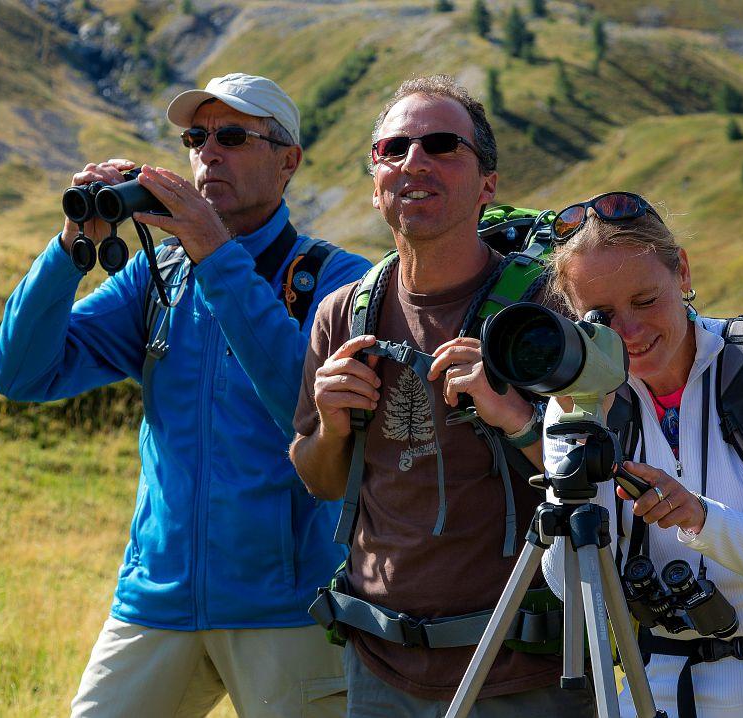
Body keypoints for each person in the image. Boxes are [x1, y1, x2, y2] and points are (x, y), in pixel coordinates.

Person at [0, 73, 371, 718]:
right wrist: (68, 250)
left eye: (231, 136)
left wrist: (216, 255)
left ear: (289, 162)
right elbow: (24, 373)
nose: (207, 153)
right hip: (158, 599)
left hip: (288, 608)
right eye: (196, 138)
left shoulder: (338, 280)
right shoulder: (158, 276)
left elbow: (304, 411)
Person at [289, 75, 594, 717]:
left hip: (522, 674)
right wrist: (330, 424)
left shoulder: (548, 310)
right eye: (392, 149)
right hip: (380, 667)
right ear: (375, 182)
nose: (413, 163)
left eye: (440, 145)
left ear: (488, 184)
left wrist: (513, 417)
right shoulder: (343, 313)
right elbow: (318, 479)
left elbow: (603, 481)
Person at [540, 192, 743, 717]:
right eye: (600, 316)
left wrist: (700, 518)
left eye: (646, 301)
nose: (628, 333)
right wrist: (585, 428)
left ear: (683, 273)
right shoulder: (578, 397)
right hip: (658, 697)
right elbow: (573, 590)